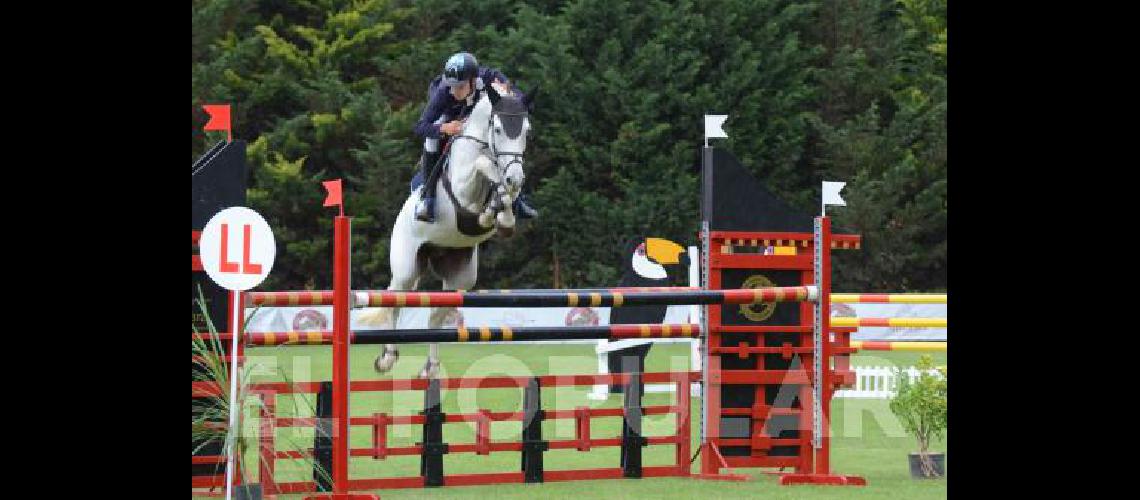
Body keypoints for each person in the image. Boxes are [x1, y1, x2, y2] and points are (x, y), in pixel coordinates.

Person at [411, 51, 538, 223]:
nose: (455, 91)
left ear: (473, 80)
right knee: (431, 140)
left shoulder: (489, 77)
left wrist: (514, 96)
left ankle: (518, 199)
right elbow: (419, 126)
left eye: (460, 86)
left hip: (479, 121)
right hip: (451, 118)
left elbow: (520, 101)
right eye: (452, 86)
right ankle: (428, 198)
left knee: (504, 139)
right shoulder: (442, 93)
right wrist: (444, 128)